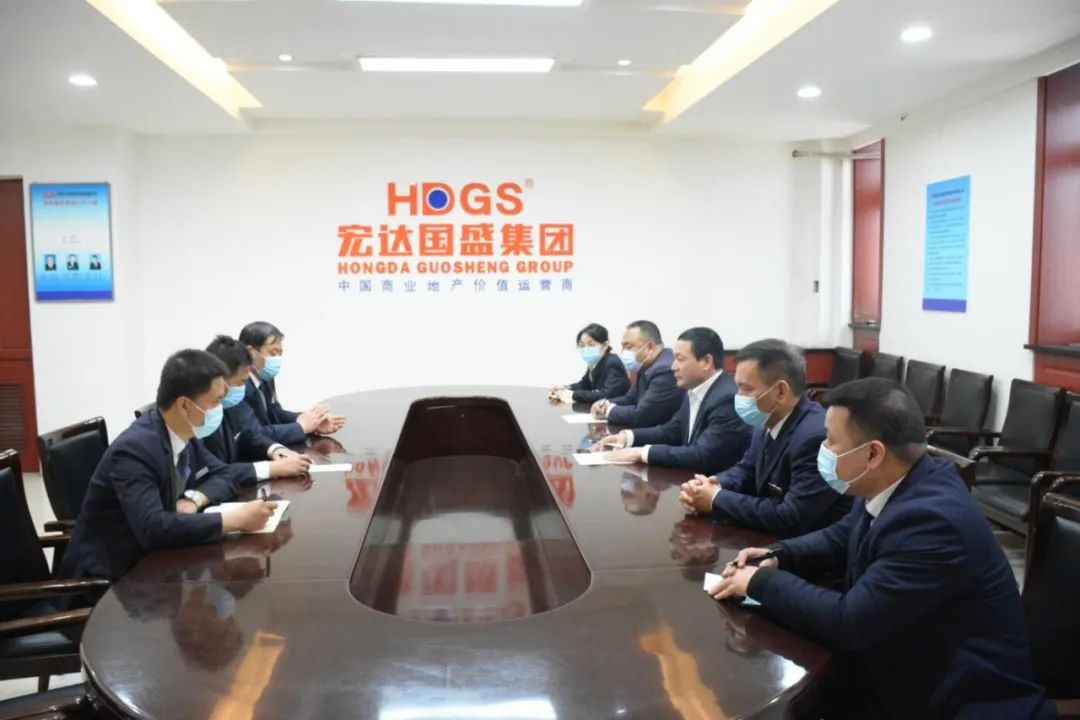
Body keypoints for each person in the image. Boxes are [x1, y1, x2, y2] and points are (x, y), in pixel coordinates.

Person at [709, 379, 1049, 720]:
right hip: (897, 666)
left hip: (953, 700)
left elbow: (848, 623)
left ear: (873, 453)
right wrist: (778, 555)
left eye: (830, 440)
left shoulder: (932, 521)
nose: (822, 449)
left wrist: (760, 583)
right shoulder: (895, 480)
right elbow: (841, 537)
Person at [62, 350, 278, 582]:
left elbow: (225, 474)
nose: (221, 409)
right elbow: (152, 528)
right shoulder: (135, 450)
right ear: (184, 405)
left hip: (157, 563)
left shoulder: (184, 433)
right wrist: (234, 521)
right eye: (216, 402)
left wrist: (196, 500)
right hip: (110, 578)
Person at [679, 339, 851, 538]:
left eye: (746, 388)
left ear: (780, 391)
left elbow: (790, 517)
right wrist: (712, 485)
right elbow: (746, 470)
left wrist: (715, 499)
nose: (738, 396)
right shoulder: (766, 421)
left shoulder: (815, 438)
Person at [597, 327, 750, 474]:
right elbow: (671, 431)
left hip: (716, 484)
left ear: (706, 362)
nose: (673, 367)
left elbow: (702, 455)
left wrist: (642, 453)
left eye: (680, 359)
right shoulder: (694, 390)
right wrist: (628, 437)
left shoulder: (726, 399)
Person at [203, 335, 311, 484]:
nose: (243, 388)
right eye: (241, 382)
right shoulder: (196, 417)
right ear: (219, 379)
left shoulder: (224, 405)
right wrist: (271, 468)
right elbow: (214, 472)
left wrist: (275, 449)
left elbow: (243, 437)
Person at [238, 321, 345, 445]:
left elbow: (276, 414)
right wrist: (300, 427)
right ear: (250, 353)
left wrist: (312, 421)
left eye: (279, 354)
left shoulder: (265, 377)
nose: (277, 359)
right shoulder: (238, 388)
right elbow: (254, 435)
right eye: (272, 353)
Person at [591, 320, 684, 427]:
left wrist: (608, 410)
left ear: (650, 347)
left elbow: (641, 416)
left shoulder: (664, 370)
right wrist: (604, 403)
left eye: (628, 347)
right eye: (623, 347)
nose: (623, 352)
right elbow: (630, 399)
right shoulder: (646, 364)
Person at [549, 323, 630, 404]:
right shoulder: (594, 362)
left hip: (618, 408)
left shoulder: (613, 363)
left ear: (605, 345)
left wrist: (573, 395)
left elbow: (606, 394)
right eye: (582, 345)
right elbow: (584, 384)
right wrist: (564, 388)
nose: (586, 349)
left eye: (591, 345)